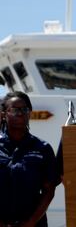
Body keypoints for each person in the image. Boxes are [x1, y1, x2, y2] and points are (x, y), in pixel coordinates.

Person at [0, 91, 59, 227]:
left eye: (25, 109)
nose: (20, 113)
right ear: (3, 114)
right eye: (15, 109)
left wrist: (30, 222)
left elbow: (49, 190)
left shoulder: (43, 148)